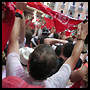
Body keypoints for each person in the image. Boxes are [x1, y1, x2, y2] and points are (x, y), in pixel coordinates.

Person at [6, 2, 88, 88]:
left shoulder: (14, 74)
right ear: (52, 70)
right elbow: (74, 58)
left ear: (28, 62)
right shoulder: (56, 83)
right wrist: (82, 36)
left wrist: (19, 11)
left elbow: (13, 40)